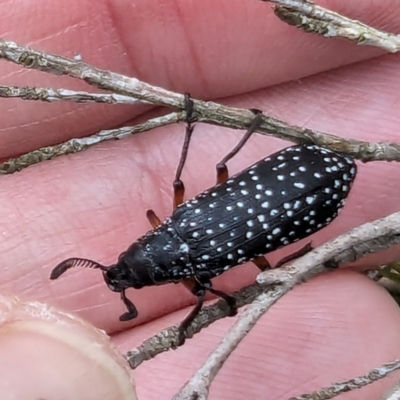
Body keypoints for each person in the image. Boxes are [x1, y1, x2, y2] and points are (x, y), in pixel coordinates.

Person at [1, 1, 400, 399]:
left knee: (248, 225)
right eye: (129, 275)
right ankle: (243, 134)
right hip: (306, 180)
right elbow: (194, 192)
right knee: (219, 173)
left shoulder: (201, 271)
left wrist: (206, 309)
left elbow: (206, 295)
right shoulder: (181, 221)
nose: (126, 276)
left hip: (311, 188)